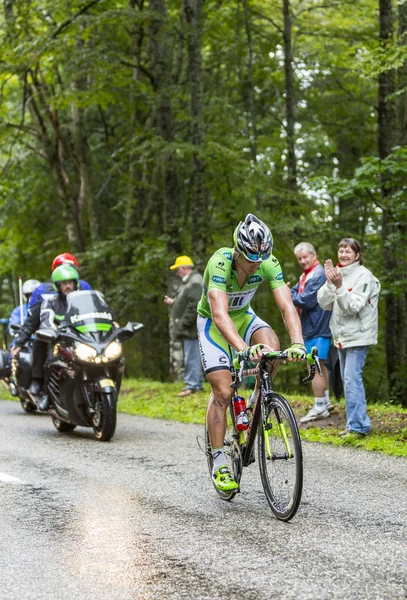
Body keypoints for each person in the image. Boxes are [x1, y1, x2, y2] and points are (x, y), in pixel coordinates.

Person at [197, 213, 306, 492]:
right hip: (214, 324)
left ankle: (258, 402)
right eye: (250, 258)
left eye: (261, 258)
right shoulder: (220, 262)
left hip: (245, 317)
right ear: (237, 250)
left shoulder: (267, 261)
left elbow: (287, 307)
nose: (256, 263)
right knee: (222, 391)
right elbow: (220, 315)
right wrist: (244, 350)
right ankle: (220, 459)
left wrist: (299, 344)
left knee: (272, 348)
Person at [317, 237, 380, 437]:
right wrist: (330, 283)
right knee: (347, 379)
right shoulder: (338, 274)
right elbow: (324, 303)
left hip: (359, 336)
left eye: (348, 252)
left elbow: (353, 307)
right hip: (342, 336)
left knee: (352, 380)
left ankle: (359, 426)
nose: (343, 255)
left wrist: (339, 286)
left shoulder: (364, 276)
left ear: (357, 255)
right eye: (341, 251)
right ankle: (354, 424)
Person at [11, 253, 91, 399]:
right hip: (55, 334)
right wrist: (19, 342)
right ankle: (39, 382)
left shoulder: (84, 287)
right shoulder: (42, 291)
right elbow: (32, 320)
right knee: (41, 339)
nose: (67, 280)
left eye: (70, 269)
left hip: (82, 332)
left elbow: (94, 308)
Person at [289, 242, 333, 422]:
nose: (302, 261)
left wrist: (286, 292)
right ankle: (326, 401)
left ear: (314, 256)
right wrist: (291, 291)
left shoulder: (318, 275)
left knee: (313, 366)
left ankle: (320, 406)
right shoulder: (306, 275)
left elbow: (305, 300)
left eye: (305, 257)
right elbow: (297, 292)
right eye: (299, 259)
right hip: (314, 327)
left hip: (317, 328)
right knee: (319, 366)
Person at [164, 256, 203, 397]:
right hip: (190, 328)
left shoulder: (195, 281)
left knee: (191, 357)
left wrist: (182, 324)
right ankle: (196, 384)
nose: (177, 273)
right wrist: (174, 302)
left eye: (178, 270)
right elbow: (186, 301)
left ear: (184, 268)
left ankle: (192, 386)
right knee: (192, 356)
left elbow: (194, 306)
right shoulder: (190, 281)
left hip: (191, 329)